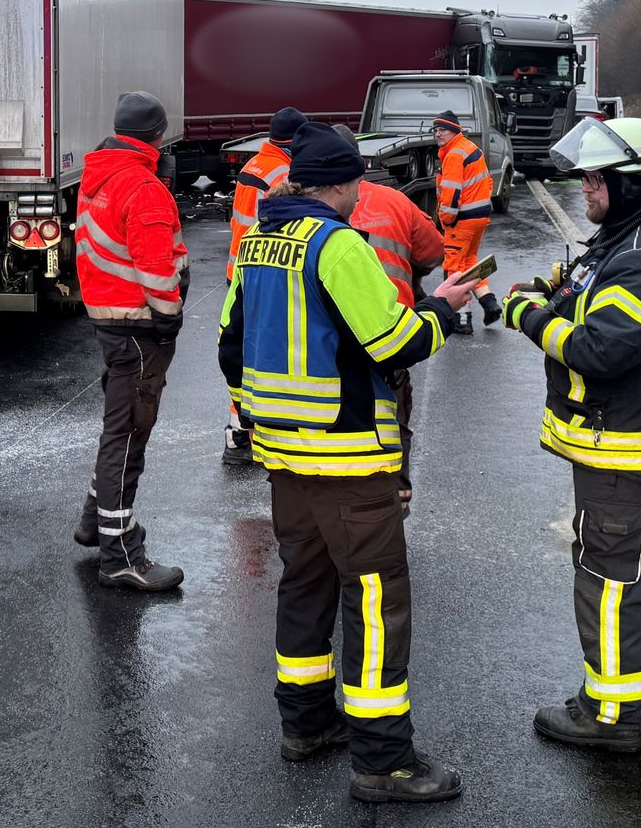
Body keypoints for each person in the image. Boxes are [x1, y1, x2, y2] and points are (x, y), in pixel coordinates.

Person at [219, 120, 475, 804]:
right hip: (349, 457)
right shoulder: (337, 246)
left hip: (282, 455)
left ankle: (305, 725)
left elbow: (228, 344)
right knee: (373, 598)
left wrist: (264, 415)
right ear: (344, 184)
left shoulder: (257, 245)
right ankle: (383, 761)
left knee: (306, 581)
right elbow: (392, 344)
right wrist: (442, 311)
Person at [499, 115, 641, 754]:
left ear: (632, 185)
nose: (585, 188)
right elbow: (596, 296)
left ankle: (611, 715)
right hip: (640, 452)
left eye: (595, 178)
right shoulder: (635, 239)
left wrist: (531, 317)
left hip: (626, 453)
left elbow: (603, 349)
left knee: (611, 581)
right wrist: (556, 291)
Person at [71, 91, 190, 592]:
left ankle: (94, 523)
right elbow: (156, 266)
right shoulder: (142, 186)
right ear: (158, 136)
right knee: (127, 437)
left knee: (118, 428)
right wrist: (170, 317)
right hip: (141, 327)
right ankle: (120, 555)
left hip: (111, 320)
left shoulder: (100, 174)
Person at [336, 125, 444, 512]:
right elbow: (433, 252)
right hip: (390, 332)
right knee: (393, 414)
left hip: (327, 339)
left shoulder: (298, 209)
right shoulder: (395, 202)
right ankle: (395, 493)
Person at [223, 106, 305, 467]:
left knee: (240, 352)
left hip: (238, 269)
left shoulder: (254, 164)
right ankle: (254, 431)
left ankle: (237, 431)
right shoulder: (283, 172)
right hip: (261, 270)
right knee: (264, 355)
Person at [432, 110, 502, 329]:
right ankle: (489, 303)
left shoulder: (453, 155)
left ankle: (461, 319)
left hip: (460, 220)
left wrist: (446, 219)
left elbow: (451, 191)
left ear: (454, 131)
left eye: (442, 129)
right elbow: (488, 183)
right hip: (479, 217)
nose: (437, 134)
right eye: (435, 130)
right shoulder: (470, 148)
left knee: (453, 268)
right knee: (469, 262)